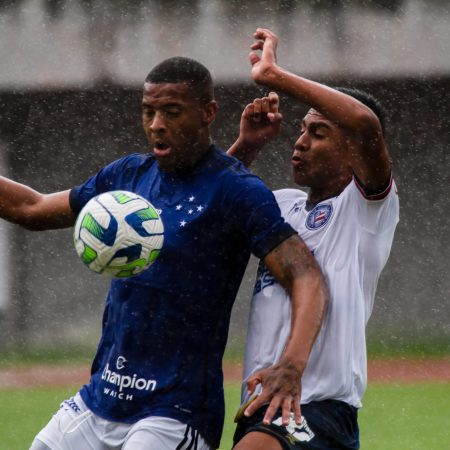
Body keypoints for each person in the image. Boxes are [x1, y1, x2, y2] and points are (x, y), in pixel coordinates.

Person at [0, 57, 329, 450]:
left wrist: (291, 366)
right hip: (100, 399)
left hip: (175, 410)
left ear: (208, 113)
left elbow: (306, 276)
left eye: (172, 112)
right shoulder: (127, 177)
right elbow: (32, 209)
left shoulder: (238, 191)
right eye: (149, 111)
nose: (157, 123)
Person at [228, 29, 400, 450]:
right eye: (302, 130)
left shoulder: (365, 210)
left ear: (352, 150)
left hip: (317, 405)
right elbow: (210, 205)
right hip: (261, 402)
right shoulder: (280, 204)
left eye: (319, 133)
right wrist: (246, 147)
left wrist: (273, 75)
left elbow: (364, 123)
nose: (300, 142)